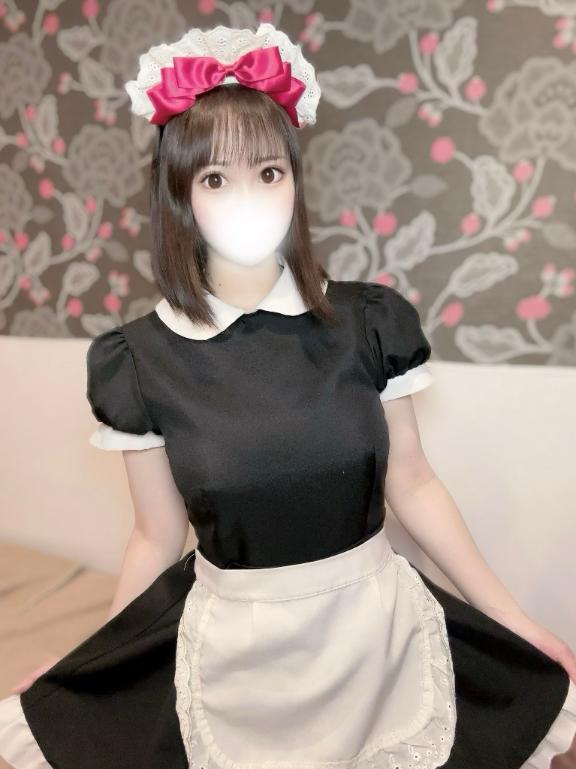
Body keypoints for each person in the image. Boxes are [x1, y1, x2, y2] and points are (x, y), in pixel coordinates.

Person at [0, 21, 575, 769]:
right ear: (181, 196)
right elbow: (155, 535)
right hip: (238, 653)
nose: (249, 198)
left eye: (269, 172)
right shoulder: (137, 360)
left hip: (377, 637)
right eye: (216, 178)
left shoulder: (368, 321)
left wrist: (511, 618)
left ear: (296, 182)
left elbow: (413, 481)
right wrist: (93, 658)